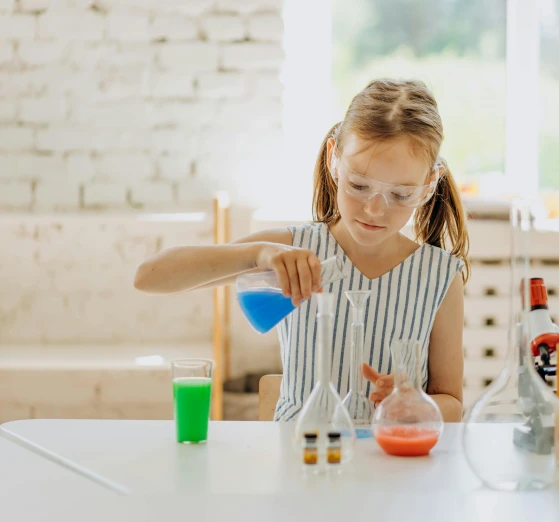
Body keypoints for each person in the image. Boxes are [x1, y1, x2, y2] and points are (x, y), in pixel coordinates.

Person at [134, 78, 469, 422]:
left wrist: (414, 404)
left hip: (393, 466)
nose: (374, 209)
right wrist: (257, 254)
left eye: (400, 195)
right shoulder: (292, 250)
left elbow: (453, 405)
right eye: (359, 185)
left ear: (429, 185)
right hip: (300, 461)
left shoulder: (439, 277)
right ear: (333, 161)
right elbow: (149, 277)